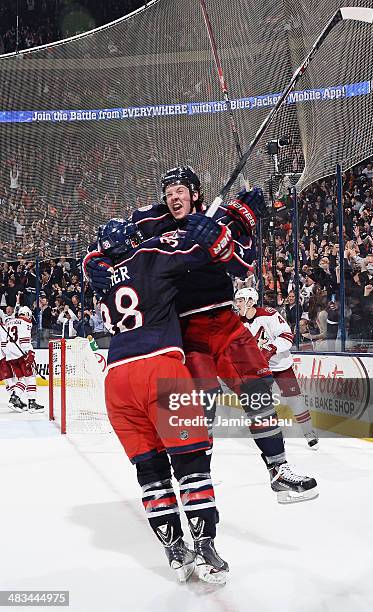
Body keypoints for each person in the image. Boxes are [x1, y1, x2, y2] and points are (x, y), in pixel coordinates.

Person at [85, 166, 318, 504]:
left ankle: (278, 470)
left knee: (257, 392)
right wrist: (93, 259)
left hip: (225, 321)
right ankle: (195, 480)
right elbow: (111, 241)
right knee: (198, 408)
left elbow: (243, 266)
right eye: (168, 193)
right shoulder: (149, 220)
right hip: (184, 330)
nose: (173, 198)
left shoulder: (223, 217)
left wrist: (221, 235)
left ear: (195, 193)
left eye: (179, 190)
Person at [92, 217, 233, 584]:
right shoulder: (150, 255)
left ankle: (174, 550)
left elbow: (97, 261)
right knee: (191, 465)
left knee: (150, 473)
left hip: (116, 381)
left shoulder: (103, 280)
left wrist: (93, 258)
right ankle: (205, 548)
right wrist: (214, 233)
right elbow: (201, 257)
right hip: (159, 369)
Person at [235, 287, 319, 449]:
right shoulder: (238, 322)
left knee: (294, 399)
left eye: (240, 301)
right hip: (259, 368)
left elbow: (287, 336)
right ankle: (275, 435)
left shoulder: (269, 314)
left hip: (280, 364)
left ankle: (309, 433)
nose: (237, 304)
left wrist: (270, 348)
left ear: (250, 302)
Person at [5, 306, 44, 413]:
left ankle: (15, 398)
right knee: (31, 376)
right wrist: (30, 353)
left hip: (10, 355)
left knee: (22, 378)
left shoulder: (9, 322)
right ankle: (31, 403)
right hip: (21, 354)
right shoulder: (26, 322)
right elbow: (24, 341)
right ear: (27, 314)